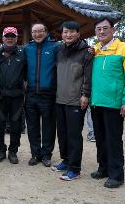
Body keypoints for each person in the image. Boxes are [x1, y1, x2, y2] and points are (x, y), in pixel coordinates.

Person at [90, 17, 125, 188]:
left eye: (105, 28)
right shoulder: (94, 50)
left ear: (113, 30)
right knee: (100, 138)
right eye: (98, 29)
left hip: (114, 103)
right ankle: (103, 168)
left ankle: (116, 174)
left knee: (113, 139)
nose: (101, 32)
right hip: (96, 102)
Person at [51, 21, 93, 181]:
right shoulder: (59, 50)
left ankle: (74, 168)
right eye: (65, 32)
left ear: (78, 33)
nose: (68, 35)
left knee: (74, 134)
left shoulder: (86, 52)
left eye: (71, 32)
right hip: (60, 98)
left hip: (76, 99)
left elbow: (88, 76)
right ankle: (66, 160)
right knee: (62, 133)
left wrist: (85, 94)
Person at [23, 22, 59, 167]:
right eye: (34, 32)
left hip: (48, 94)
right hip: (31, 93)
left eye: (40, 31)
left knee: (49, 126)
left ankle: (46, 155)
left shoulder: (55, 47)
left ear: (46, 32)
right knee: (32, 126)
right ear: (31, 34)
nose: (37, 34)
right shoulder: (27, 48)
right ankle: (35, 154)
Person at [0, 27, 25, 164]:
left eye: (13, 36)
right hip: (0, 95)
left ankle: (13, 151)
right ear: (3, 38)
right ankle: (0, 150)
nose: (10, 38)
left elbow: (27, 73)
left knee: (15, 125)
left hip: (17, 95)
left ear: (17, 38)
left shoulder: (22, 54)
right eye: (7, 36)